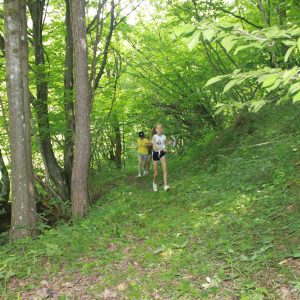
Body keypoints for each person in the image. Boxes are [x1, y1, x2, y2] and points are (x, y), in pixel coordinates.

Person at [151, 124, 172, 192]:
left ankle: (165, 186)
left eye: (160, 128)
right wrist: (162, 148)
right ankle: (154, 182)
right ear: (156, 129)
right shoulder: (154, 137)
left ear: (162, 129)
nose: (159, 129)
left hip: (162, 153)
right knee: (156, 173)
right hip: (155, 153)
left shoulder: (164, 136)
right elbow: (154, 147)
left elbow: (165, 143)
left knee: (165, 169)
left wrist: (170, 142)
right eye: (158, 128)